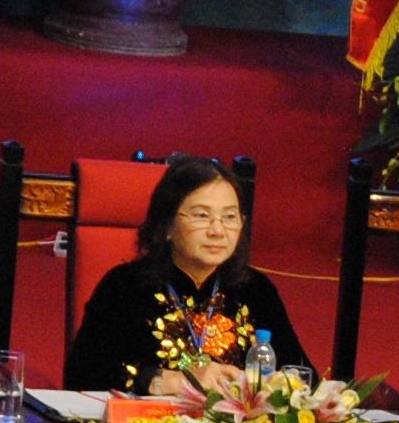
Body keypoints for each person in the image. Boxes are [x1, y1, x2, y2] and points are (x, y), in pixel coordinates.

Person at [64, 158, 313, 398]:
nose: (218, 231)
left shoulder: (255, 289)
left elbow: (302, 376)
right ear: (167, 225)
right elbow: (83, 377)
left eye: (229, 217)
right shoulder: (125, 287)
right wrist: (170, 381)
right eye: (201, 215)